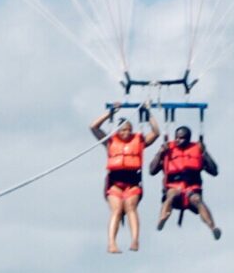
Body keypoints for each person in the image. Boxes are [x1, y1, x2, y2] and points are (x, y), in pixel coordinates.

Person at [92, 106, 160, 253]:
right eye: (123, 130)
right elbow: (93, 127)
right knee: (116, 210)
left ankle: (135, 240)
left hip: (133, 183)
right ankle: (112, 243)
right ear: (117, 131)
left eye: (129, 129)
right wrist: (109, 113)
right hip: (115, 184)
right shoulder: (109, 142)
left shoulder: (139, 141)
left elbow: (156, 132)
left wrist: (148, 114)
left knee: (130, 208)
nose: (126, 132)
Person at [149, 126, 221, 239]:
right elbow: (152, 171)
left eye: (181, 138)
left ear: (188, 139)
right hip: (173, 187)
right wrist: (160, 153)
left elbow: (214, 171)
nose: (177, 140)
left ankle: (213, 227)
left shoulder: (197, 149)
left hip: (191, 188)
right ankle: (162, 218)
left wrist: (204, 153)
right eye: (176, 137)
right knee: (171, 195)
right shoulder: (168, 150)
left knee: (197, 200)